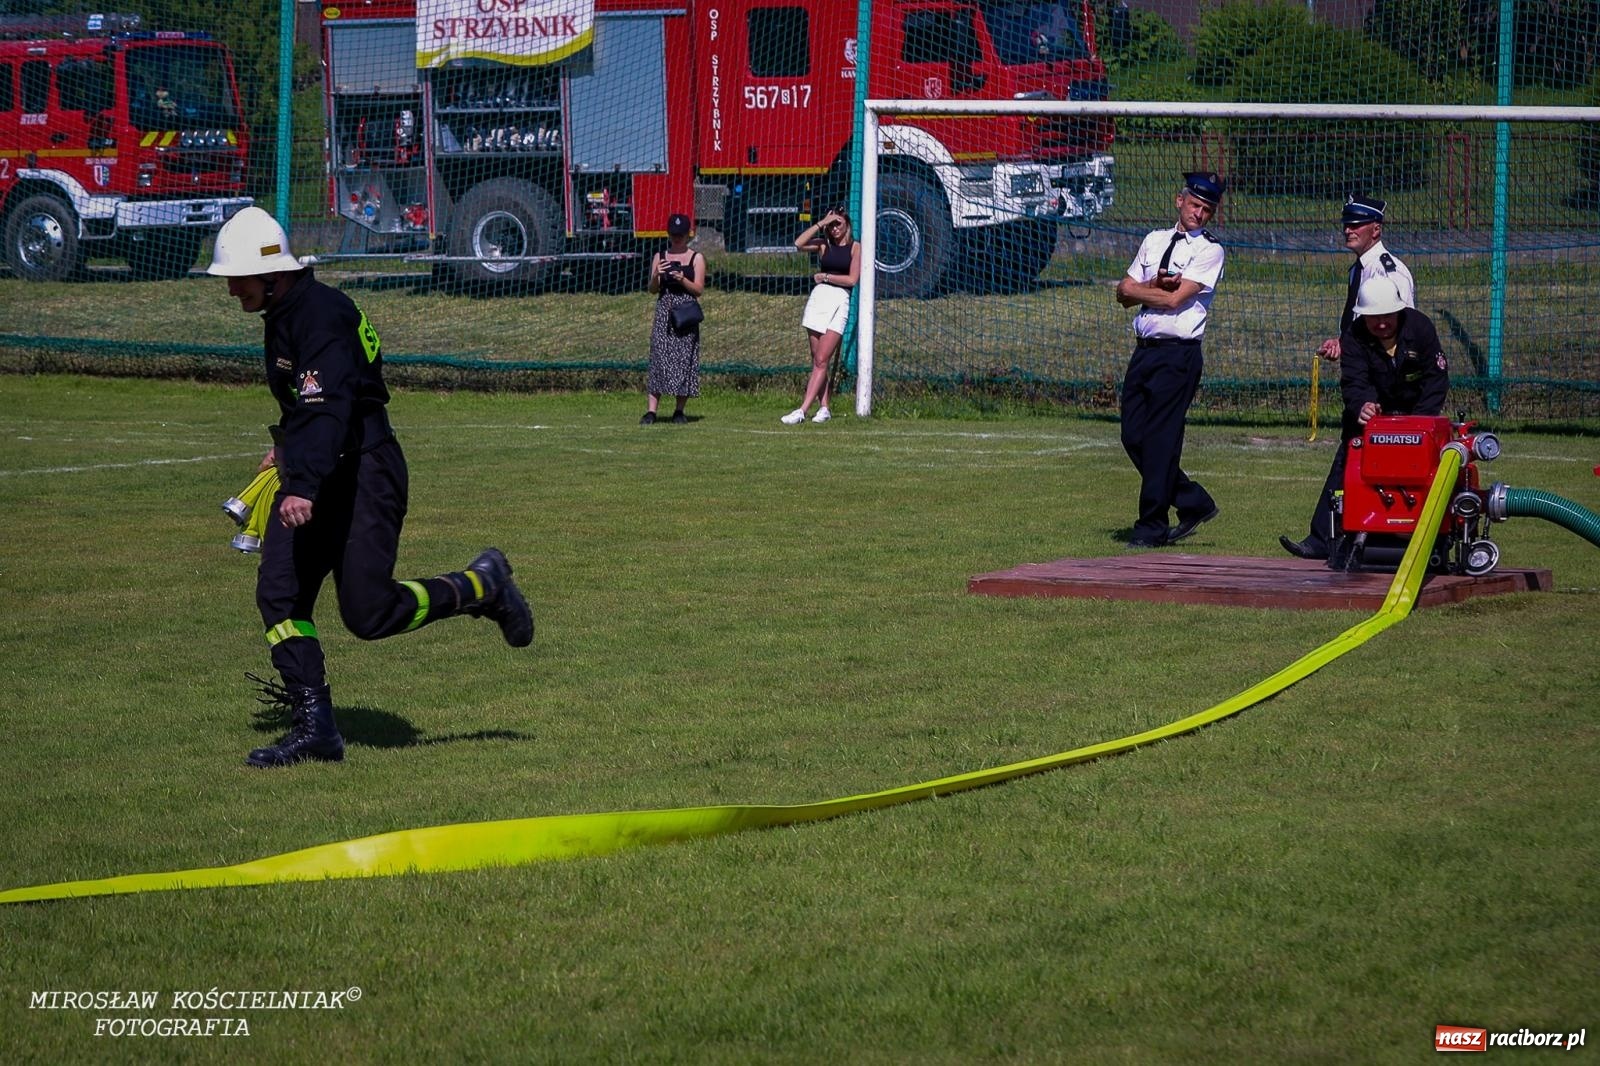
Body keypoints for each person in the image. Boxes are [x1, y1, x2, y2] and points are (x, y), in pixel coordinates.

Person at [207, 206, 533, 768]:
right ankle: (316, 729)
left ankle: (480, 587)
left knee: (369, 613)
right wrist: (287, 445)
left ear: (271, 273)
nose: (230, 290)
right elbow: (311, 410)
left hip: (363, 473)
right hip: (319, 465)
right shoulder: (288, 312)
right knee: (280, 595)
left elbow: (331, 407)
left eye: (236, 277)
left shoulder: (319, 318)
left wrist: (302, 484)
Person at [1280, 276, 1448, 560]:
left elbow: (1436, 380)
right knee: (1347, 464)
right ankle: (1322, 539)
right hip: (1370, 417)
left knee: (1427, 475)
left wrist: (1419, 424)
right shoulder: (1354, 336)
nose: (1381, 324)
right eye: (1374, 318)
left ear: (1398, 311)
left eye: (1386, 317)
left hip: (1418, 416)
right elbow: (1353, 381)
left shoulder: (1421, 329)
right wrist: (1363, 406)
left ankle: (1431, 536)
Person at [1113, 171, 1226, 548]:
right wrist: (1151, 288)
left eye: (1207, 210)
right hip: (1145, 350)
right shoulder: (1153, 240)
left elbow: (1177, 299)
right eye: (1195, 205)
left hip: (1179, 355)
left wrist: (1144, 291)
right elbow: (1121, 292)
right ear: (1180, 201)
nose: (1199, 214)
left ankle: (1151, 527)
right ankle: (1192, 500)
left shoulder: (1209, 250)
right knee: (1133, 435)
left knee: (1161, 440)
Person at [781, 206, 861, 425]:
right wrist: (820, 224)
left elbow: (852, 280)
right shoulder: (823, 245)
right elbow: (798, 244)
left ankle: (802, 410)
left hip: (839, 300)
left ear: (847, 226)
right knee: (817, 359)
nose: (835, 229)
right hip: (819, 301)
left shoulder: (855, 248)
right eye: (832, 225)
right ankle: (824, 407)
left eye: (839, 224)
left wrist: (825, 276)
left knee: (822, 358)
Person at [1315, 195, 1415, 363]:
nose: (1347, 230)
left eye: (1356, 225)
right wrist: (1342, 344)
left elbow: (1407, 328)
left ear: (1376, 229)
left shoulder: (1388, 272)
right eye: (1347, 224)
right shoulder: (1358, 269)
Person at [642, 212, 704, 425]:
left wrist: (682, 279)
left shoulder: (696, 258)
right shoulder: (660, 256)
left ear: (688, 235)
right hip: (665, 311)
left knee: (684, 359)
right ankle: (651, 411)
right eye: (674, 234)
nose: (677, 238)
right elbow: (652, 290)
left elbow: (698, 290)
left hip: (686, 312)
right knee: (659, 357)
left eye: (681, 234)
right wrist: (656, 275)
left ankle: (679, 410)